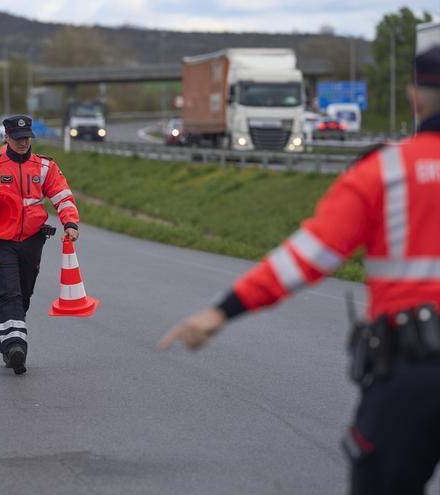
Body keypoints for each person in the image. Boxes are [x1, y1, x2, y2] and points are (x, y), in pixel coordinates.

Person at [159, 37, 440, 494]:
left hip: (412, 374)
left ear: (414, 98)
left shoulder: (383, 173)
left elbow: (305, 259)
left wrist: (222, 311)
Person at [0, 114, 80, 375]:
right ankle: (15, 347)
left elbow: (63, 196)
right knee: (8, 292)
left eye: (27, 138)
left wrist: (70, 224)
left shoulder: (45, 167)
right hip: (1, 240)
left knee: (24, 293)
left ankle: (10, 336)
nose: (23, 143)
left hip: (33, 239)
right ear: (7, 138)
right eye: (18, 138)